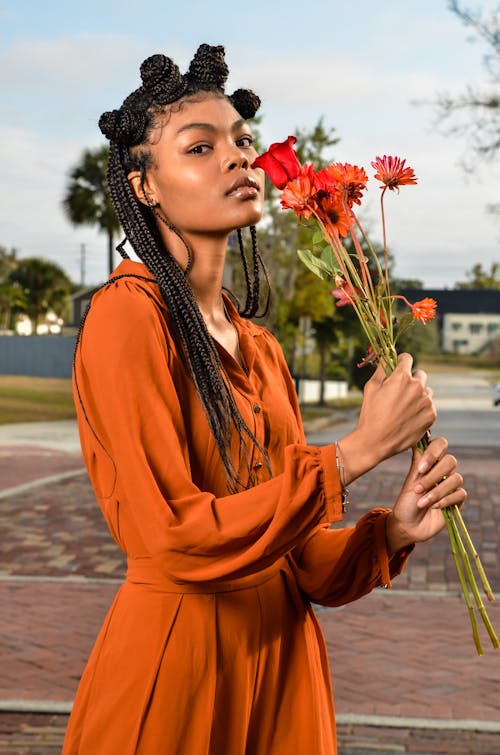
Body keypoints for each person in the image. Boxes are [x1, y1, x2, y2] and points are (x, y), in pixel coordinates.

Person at [62, 44, 467, 755]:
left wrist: (395, 530)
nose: (237, 157)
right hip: (180, 667)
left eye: (242, 141)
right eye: (200, 146)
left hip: (283, 670)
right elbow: (172, 538)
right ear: (145, 186)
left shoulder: (264, 351)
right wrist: (357, 451)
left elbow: (302, 561)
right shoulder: (128, 316)